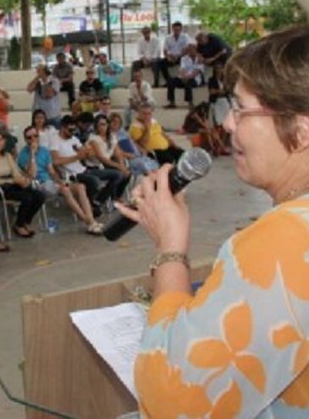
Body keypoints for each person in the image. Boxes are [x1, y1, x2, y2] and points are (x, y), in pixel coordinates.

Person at [121, 24, 309, 418]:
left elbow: (172, 401)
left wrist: (170, 248)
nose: (226, 124)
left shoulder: (285, 241)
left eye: (240, 109)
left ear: (301, 128)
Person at [17, 126, 102, 235]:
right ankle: (89, 223)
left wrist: (59, 180)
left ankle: (91, 220)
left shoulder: (44, 151)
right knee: (65, 190)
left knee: (80, 186)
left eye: (35, 136)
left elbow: (51, 171)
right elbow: (32, 174)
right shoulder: (23, 155)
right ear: (25, 140)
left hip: (50, 182)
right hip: (38, 184)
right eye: (29, 137)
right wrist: (32, 154)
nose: (33, 139)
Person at [0, 130, 45, 238]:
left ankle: (26, 221)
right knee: (27, 198)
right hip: (0, 188)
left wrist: (23, 180)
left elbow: (15, 172)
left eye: (0, 140)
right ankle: (18, 225)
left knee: (39, 195)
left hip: (14, 184)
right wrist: (13, 180)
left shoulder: (7, 156)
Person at [109, 112, 159, 177]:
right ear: (109, 123)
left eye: (118, 122)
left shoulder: (122, 132)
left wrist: (141, 149)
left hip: (137, 154)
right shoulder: (110, 135)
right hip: (128, 158)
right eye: (113, 121)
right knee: (144, 167)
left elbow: (132, 142)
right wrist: (127, 154)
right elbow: (115, 150)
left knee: (154, 165)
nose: (116, 124)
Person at [161, 21, 193, 86]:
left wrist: (178, 56)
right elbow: (165, 50)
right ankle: (168, 81)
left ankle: (183, 81)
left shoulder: (185, 37)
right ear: (172, 29)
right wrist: (168, 56)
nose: (176, 31)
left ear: (181, 29)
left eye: (178, 30)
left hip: (181, 56)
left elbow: (187, 49)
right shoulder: (168, 37)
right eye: (175, 29)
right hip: (171, 57)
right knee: (161, 63)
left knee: (185, 62)